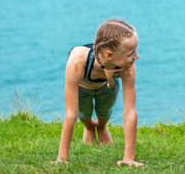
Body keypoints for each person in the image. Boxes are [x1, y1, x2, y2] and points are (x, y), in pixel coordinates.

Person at [56, 19, 143, 166]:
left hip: (107, 86)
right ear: (109, 55)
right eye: (131, 53)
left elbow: (129, 111)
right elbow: (70, 114)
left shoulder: (127, 67)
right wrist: (61, 160)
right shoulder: (77, 61)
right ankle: (89, 126)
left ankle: (101, 126)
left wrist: (129, 158)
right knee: (84, 114)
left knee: (104, 112)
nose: (137, 56)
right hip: (83, 88)